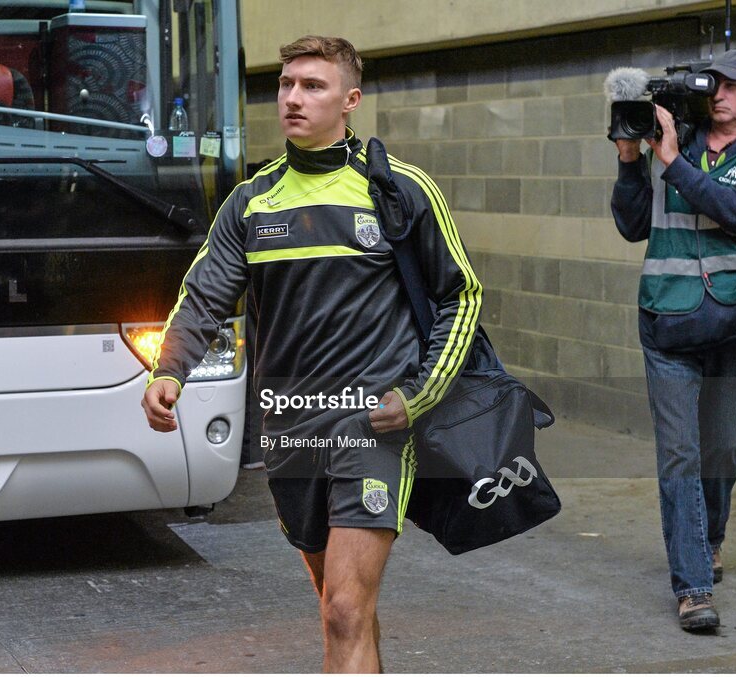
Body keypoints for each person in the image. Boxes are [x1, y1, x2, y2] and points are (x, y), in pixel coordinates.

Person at [141, 35, 481, 671]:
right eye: (286, 84)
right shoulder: (251, 202)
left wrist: (418, 396)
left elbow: (462, 295)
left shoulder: (399, 192)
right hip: (290, 426)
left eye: (313, 86)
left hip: (370, 425)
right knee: (341, 604)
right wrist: (170, 370)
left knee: (343, 612)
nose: (293, 98)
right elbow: (203, 298)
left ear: (350, 101)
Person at [610, 48, 736, 632]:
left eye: (730, 83)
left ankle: (709, 536)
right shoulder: (676, 140)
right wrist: (630, 160)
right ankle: (693, 587)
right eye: (711, 83)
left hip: (733, 325)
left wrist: (671, 163)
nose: (717, 92)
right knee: (680, 454)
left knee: (722, 448)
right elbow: (631, 225)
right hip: (665, 323)